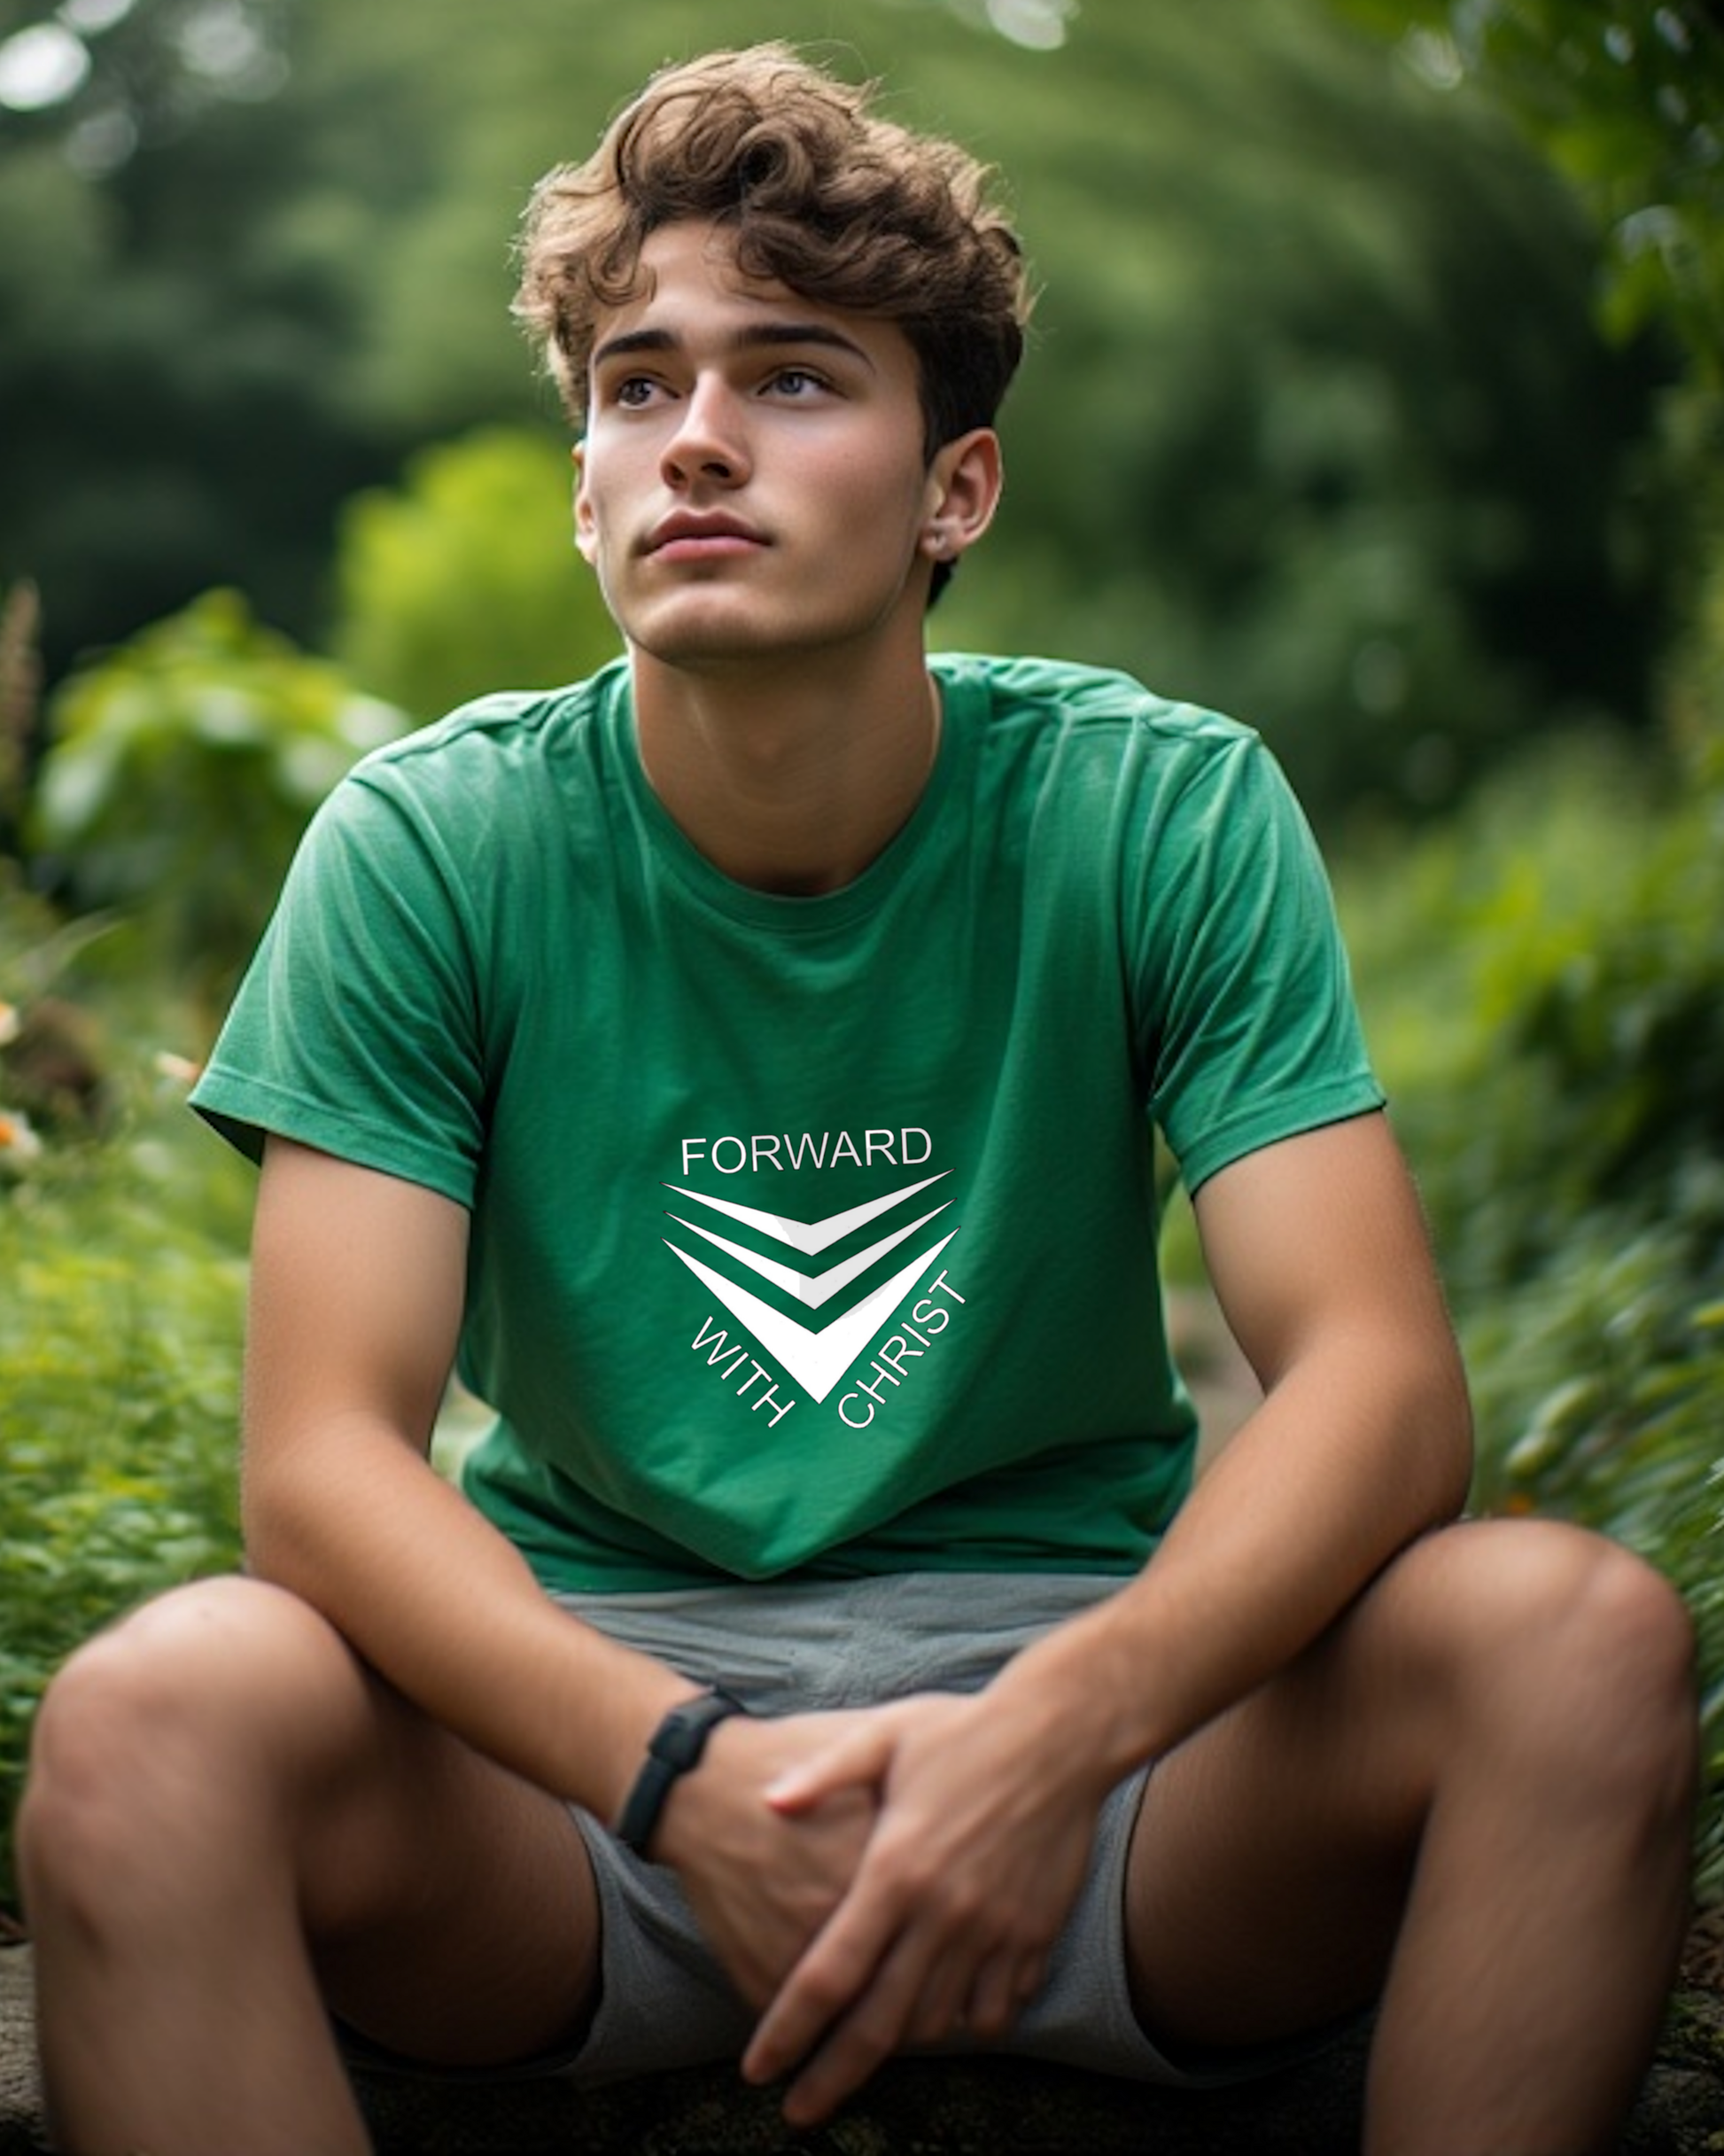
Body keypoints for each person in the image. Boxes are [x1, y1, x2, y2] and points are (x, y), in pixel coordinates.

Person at [19, 42, 1698, 2156]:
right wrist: (677, 1775)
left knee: (1574, 1641)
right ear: (584, 486)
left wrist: (1048, 1742)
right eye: (637, 385)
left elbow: (1376, 1384)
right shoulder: (432, 842)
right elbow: (323, 1470)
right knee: (146, 1718)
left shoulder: (1153, 806)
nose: (698, 439)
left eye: (795, 378)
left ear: (952, 490)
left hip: (1106, 1762)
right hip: (580, 1765)